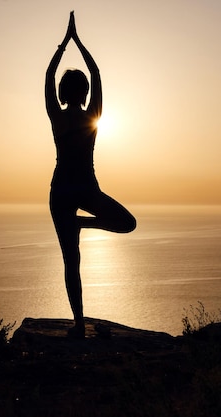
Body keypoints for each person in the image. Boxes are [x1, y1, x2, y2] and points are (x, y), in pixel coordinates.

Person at [45, 12, 136, 338]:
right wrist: (78, 42)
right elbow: (96, 72)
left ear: (62, 92)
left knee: (72, 261)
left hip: (61, 192)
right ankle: (80, 325)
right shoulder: (93, 116)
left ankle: (80, 325)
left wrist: (64, 43)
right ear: (83, 92)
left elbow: (48, 73)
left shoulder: (57, 117)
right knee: (127, 223)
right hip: (84, 188)